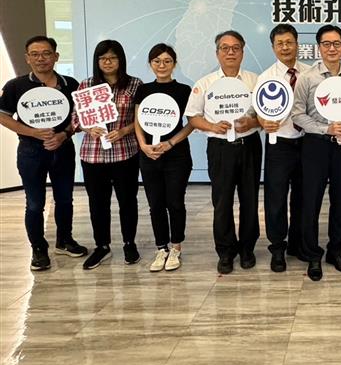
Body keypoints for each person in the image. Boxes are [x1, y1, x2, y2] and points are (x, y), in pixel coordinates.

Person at [0, 36, 88, 271]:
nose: (41, 58)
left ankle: (65, 240)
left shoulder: (71, 84)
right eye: (35, 54)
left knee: (65, 198)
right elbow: (2, 115)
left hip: (63, 148)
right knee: (35, 203)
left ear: (56, 56)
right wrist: (32, 132)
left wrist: (64, 135)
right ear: (27, 58)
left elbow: (78, 118)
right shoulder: (15, 86)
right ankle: (38, 249)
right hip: (31, 151)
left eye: (46, 53)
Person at [186, 30, 261, 275]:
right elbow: (193, 117)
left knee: (250, 199)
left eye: (236, 47)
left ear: (242, 51)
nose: (230, 52)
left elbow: (267, 114)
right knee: (222, 201)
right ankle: (226, 251)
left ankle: (247, 248)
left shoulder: (255, 80)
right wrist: (212, 126)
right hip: (219, 148)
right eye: (225, 48)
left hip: (249, 145)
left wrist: (252, 123)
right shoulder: (205, 83)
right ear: (217, 52)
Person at [291, 25, 341, 281]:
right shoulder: (307, 77)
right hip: (315, 146)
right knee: (311, 201)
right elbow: (297, 114)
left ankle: (336, 251)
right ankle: (312, 255)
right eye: (326, 43)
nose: (332, 48)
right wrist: (325, 128)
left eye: (337, 43)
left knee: (340, 199)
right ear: (318, 47)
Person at [72, 40, 143, 270]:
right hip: (93, 156)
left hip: (125, 153)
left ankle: (129, 243)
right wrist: (87, 127)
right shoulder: (87, 85)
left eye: (112, 57)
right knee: (97, 203)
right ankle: (101, 246)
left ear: (121, 59)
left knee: (128, 201)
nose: (108, 62)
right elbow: (75, 119)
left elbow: (141, 119)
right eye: (103, 58)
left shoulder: (134, 84)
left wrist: (123, 130)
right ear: (97, 61)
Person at [134, 44, 194, 272]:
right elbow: (137, 120)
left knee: (175, 202)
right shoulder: (143, 89)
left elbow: (191, 124)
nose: (162, 65)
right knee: (155, 203)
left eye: (167, 61)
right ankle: (162, 248)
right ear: (150, 64)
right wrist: (143, 145)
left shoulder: (184, 90)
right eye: (157, 61)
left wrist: (170, 143)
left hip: (176, 154)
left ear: (174, 64)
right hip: (149, 154)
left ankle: (176, 247)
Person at [255, 24, 310, 272]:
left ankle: (298, 243)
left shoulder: (310, 74)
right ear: (273, 47)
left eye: (289, 42)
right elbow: (256, 113)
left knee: (303, 196)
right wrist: (262, 120)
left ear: (297, 44)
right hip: (279, 144)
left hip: (308, 143)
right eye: (280, 43)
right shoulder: (265, 77)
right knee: (276, 199)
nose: (285, 47)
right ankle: (277, 247)